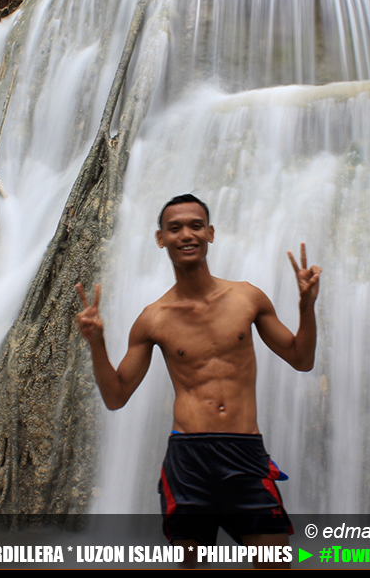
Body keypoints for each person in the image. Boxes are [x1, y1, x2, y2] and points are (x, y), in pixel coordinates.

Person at [75, 194, 321, 568]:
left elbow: (301, 360)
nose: (186, 235)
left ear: (210, 233)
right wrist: (97, 343)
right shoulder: (153, 319)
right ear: (161, 239)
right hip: (188, 459)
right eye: (175, 228)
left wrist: (306, 306)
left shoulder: (247, 298)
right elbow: (116, 395)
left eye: (195, 226)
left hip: (245, 453)